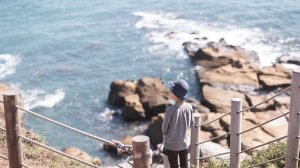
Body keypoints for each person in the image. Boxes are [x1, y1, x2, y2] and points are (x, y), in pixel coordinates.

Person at [162, 79, 194, 168]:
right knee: (184, 164)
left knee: (174, 165)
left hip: (171, 145)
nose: (169, 91)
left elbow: (164, 129)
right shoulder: (189, 107)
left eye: (171, 90)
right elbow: (191, 123)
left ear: (176, 95)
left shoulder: (169, 111)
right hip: (184, 143)